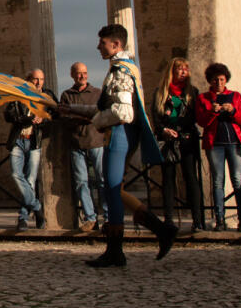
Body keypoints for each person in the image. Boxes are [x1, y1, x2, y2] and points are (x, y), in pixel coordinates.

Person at [61, 24, 174, 267]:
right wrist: (72, 109)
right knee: (115, 190)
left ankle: (119, 249)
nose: (98, 47)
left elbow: (122, 112)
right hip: (121, 132)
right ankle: (157, 231)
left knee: (111, 189)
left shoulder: (121, 70)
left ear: (116, 44)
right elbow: (106, 107)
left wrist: (97, 122)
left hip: (120, 132)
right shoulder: (122, 67)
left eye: (102, 43)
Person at [152, 57, 206, 232]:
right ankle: (169, 220)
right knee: (168, 179)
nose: (183, 72)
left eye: (185, 69)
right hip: (167, 139)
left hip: (187, 138)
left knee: (191, 177)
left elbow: (195, 116)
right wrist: (164, 130)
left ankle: (197, 221)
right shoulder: (160, 92)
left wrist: (181, 129)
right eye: (180, 69)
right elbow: (156, 117)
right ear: (172, 71)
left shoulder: (192, 92)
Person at [196, 63, 241, 232]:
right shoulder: (203, 98)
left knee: (238, 181)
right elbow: (201, 121)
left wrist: (232, 111)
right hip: (214, 144)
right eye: (215, 80)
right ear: (210, 81)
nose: (218, 83)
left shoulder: (236, 96)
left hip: (234, 142)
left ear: (226, 80)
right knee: (218, 181)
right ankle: (220, 220)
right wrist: (212, 112)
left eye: (221, 79)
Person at [57, 63, 106, 232]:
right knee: (81, 182)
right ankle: (90, 218)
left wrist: (77, 114)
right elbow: (64, 117)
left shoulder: (97, 93)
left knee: (102, 180)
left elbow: (100, 114)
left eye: (84, 73)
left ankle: (108, 217)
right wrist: (85, 116)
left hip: (96, 142)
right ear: (72, 75)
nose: (82, 76)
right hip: (76, 143)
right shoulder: (66, 95)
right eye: (78, 73)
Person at [3, 70, 51, 230]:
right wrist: (29, 119)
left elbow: (55, 114)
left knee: (30, 180)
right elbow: (8, 115)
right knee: (16, 175)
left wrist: (43, 119)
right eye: (35, 79)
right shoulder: (18, 95)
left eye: (41, 79)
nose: (38, 82)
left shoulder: (47, 96)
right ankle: (37, 207)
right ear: (28, 80)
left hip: (34, 141)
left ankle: (23, 218)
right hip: (18, 140)